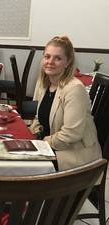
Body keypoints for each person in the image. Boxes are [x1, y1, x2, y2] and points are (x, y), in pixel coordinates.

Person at [30, 35, 102, 171]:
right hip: (54, 146)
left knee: (25, 168)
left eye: (58, 58)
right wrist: (32, 134)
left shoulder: (74, 89)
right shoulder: (47, 84)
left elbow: (71, 134)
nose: (50, 62)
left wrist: (43, 142)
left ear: (67, 62)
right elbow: (39, 119)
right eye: (47, 57)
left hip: (75, 155)